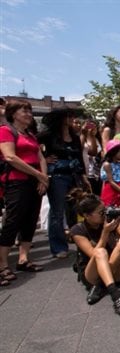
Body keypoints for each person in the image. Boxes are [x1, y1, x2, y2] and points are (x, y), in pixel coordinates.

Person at [0, 99, 48, 286]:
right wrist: (38, 174)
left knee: (30, 220)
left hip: (34, 182)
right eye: (24, 111)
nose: (28, 114)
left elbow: (40, 157)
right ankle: (3, 264)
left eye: (29, 110)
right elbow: (10, 156)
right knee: (13, 221)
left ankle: (23, 259)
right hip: (16, 182)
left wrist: (43, 178)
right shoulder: (5, 131)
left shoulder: (30, 134)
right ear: (13, 114)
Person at [68, 189, 120, 316]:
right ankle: (116, 297)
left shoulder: (109, 221)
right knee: (100, 252)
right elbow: (94, 254)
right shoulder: (77, 230)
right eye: (100, 212)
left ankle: (101, 286)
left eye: (105, 210)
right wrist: (105, 232)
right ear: (87, 216)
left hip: (114, 273)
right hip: (92, 275)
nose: (105, 214)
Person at [37, 107, 87, 259]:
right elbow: (33, 148)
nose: (72, 119)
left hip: (74, 176)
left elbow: (79, 156)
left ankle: (81, 241)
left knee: (78, 210)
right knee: (57, 212)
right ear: (61, 118)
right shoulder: (48, 136)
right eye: (69, 116)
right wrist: (44, 160)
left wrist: (83, 175)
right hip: (58, 176)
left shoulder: (75, 136)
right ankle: (58, 247)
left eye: (72, 116)